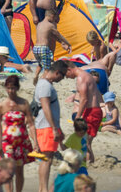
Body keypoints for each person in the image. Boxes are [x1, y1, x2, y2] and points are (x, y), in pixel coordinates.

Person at [0, 75, 37, 192]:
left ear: (17, 88)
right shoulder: (2, 105)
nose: (10, 91)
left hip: (21, 142)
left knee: (19, 170)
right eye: (8, 88)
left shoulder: (23, 103)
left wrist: (36, 143)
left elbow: (31, 124)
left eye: (13, 88)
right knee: (8, 170)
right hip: (7, 143)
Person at [34, 60, 68, 192]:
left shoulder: (45, 84)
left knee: (47, 158)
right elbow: (45, 106)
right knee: (46, 159)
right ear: (57, 72)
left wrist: (58, 128)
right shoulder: (45, 85)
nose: (63, 78)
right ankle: (43, 189)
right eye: (63, 75)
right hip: (46, 126)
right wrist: (54, 128)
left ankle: (43, 188)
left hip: (47, 126)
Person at [65, 61, 102, 162]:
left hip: (92, 112)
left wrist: (78, 116)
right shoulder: (85, 75)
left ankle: (88, 163)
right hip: (92, 111)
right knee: (85, 141)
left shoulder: (81, 77)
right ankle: (89, 163)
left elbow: (84, 99)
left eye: (66, 74)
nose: (66, 77)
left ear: (69, 69)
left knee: (85, 141)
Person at [33, 9, 71, 84]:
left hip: (35, 48)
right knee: (47, 69)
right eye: (54, 18)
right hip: (43, 48)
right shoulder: (50, 25)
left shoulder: (39, 24)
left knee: (40, 64)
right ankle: (42, 82)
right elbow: (58, 35)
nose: (54, 20)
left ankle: (36, 75)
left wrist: (61, 43)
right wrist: (68, 43)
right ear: (51, 16)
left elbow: (52, 37)